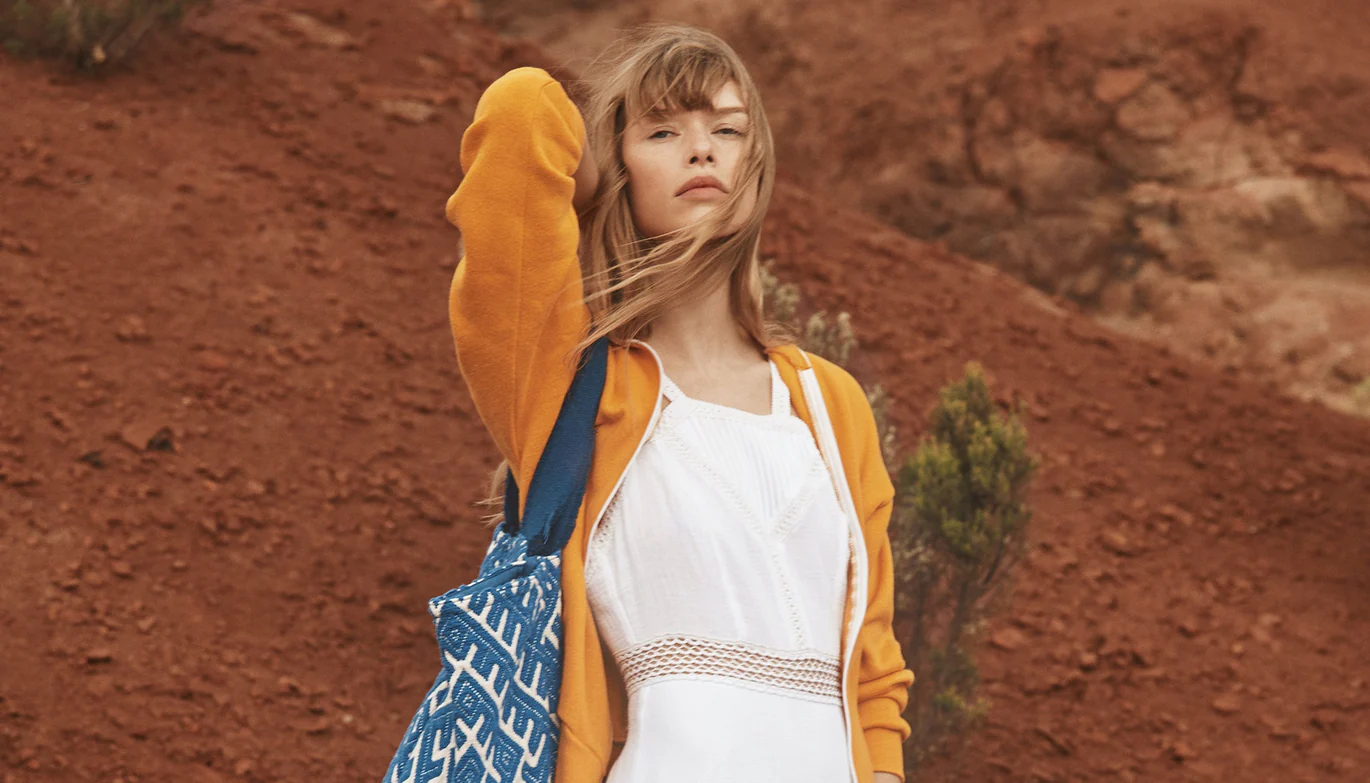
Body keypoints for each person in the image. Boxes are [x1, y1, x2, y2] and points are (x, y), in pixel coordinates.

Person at [445, 21, 914, 783]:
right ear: (617, 168)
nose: (701, 150)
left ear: (758, 167)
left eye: (727, 130)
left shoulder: (828, 402)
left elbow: (874, 676)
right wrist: (596, 187)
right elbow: (521, 113)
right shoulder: (573, 382)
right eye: (662, 132)